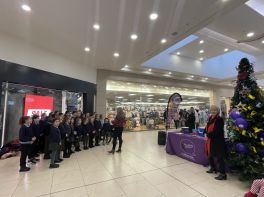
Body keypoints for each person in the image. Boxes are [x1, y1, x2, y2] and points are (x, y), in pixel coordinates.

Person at [205, 105, 227, 180]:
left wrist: (208, 134)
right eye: (212, 110)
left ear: (218, 111)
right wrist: (205, 131)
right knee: (210, 155)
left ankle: (223, 174)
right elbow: (207, 127)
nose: (213, 112)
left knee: (219, 157)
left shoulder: (219, 119)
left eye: (215, 110)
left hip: (218, 141)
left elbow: (217, 131)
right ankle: (213, 168)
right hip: (211, 140)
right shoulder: (210, 118)